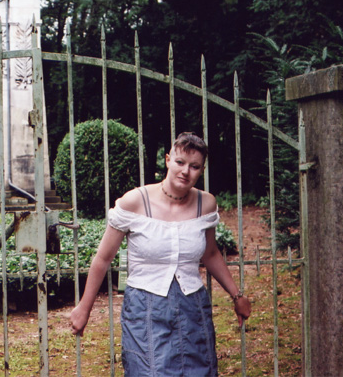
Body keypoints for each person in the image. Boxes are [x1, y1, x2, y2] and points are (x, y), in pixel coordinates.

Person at [70, 132, 251, 376]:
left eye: (194, 166)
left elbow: (210, 253)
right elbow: (103, 259)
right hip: (145, 309)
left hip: (193, 308)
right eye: (180, 162)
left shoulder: (205, 204)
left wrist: (236, 295)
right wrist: (84, 308)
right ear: (167, 160)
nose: (185, 171)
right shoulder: (135, 201)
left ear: (202, 170)